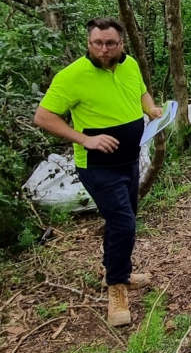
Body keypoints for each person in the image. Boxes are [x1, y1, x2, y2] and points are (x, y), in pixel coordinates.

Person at [34, 17, 162, 327]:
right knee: (122, 221)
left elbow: (141, 92)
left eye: (110, 43)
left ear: (121, 44)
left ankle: (120, 272)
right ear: (89, 44)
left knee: (126, 220)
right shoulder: (73, 76)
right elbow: (44, 116)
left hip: (130, 160)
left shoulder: (129, 65)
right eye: (97, 43)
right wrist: (85, 139)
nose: (104, 50)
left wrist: (153, 110)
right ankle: (116, 288)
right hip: (98, 167)